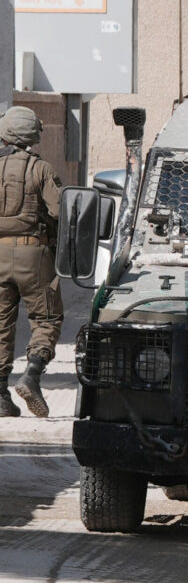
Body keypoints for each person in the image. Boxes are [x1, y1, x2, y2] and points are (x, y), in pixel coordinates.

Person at [0, 106, 63, 418]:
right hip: (33, 253)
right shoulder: (42, 169)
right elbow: (59, 212)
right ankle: (32, 373)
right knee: (46, 319)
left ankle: (0, 396)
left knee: (0, 325)